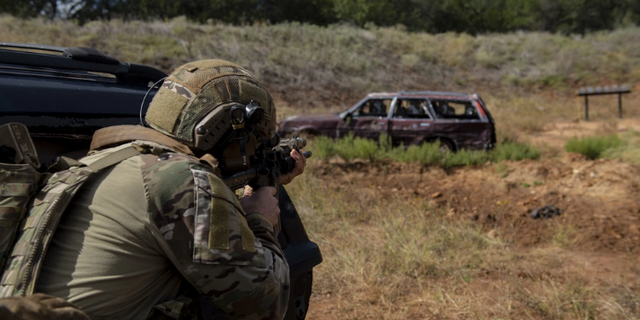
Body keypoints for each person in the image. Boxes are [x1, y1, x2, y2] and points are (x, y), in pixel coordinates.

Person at [2, 60, 306, 320]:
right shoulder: (180, 178)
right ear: (227, 128)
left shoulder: (98, 161)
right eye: (255, 141)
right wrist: (260, 218)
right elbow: (264, 302)